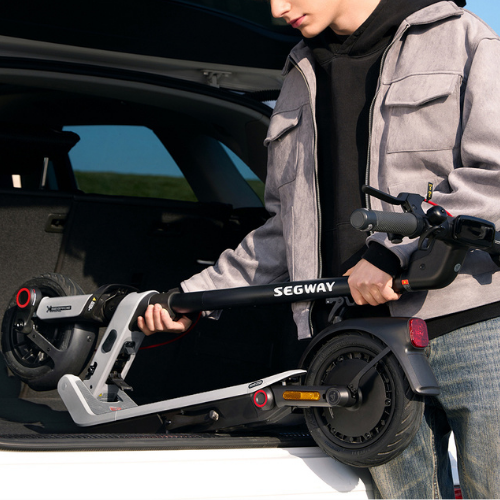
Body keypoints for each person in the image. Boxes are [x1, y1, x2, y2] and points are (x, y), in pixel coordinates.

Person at [138, 0, 500, 497]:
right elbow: (284, 230)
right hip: (359, 350)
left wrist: (390, 253)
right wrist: (195, 297)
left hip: (473, 327)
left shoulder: (462, 39)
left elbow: (493, 177)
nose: (276, 8)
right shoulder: (298, 73)